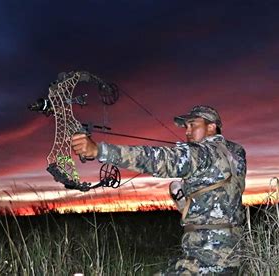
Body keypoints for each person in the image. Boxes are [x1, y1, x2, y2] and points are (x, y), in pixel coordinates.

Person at [72, 105, 247, 275]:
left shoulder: (202, 153)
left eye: (193, 125)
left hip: (207, 256)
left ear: (211, 127)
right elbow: (220, 199)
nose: (187, 131)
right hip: (234, 254)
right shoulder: (237, 154)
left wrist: (99, 150)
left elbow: (157, 159)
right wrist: (183, 198)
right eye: (186, 126)